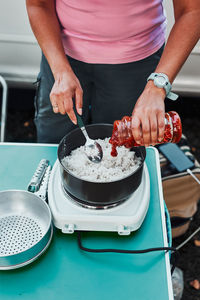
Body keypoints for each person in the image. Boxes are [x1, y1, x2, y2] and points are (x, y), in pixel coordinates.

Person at [26, 0, 200, 145]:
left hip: (136, 63)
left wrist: (157, 86)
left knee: (123, 148)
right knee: (54, 142)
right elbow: (38, 4)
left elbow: (192, 11)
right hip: (62, 58)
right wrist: (60, 70)